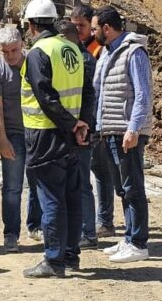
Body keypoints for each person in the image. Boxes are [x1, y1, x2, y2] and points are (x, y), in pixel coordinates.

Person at [19, 0, 91, 279]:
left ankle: (53, 260)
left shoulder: (39, 52)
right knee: (71, 197)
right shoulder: (72, 48)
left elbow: (45, 96)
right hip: (70, 135)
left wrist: (72, 124)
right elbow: (87, 90)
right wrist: (81, 125)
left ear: (31, 25)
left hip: (45, 134)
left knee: (51, 199)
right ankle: (71, 255)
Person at [92, 6, 153, 263]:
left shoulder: (133, 53)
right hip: (110, 130)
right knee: (122, 189)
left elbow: (143, 95)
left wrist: (133, 129)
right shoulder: (108, 52)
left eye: (95, 28)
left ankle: (138, 243)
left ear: (107, 28)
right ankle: (129, 238)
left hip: (125, 131)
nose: (93, 33)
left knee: (132, 188)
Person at [0, 26, 42, 253]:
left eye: (14, 50)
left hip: (37, 130)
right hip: (14, 133)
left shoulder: (35, 63)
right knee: (12, 187)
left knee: (38, 182)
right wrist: (3, 140)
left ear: (22, 44)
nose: (10, 55)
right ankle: (10, 234)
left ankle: (36, 226)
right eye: (5, 51)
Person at [72, 4, 115, 238]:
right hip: (81, 120)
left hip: (95, 119)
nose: (77, 29)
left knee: (100, 170)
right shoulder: (75, 49)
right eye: (74, 25)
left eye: (82, 25)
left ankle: (104, 221)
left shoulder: (97, 50)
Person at [57, 20, 99, 250]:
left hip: (80, 131)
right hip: (75, 128)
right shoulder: (77, 58)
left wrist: (82, 127)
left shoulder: (82, 60)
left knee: (81, 183)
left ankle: (88, 233)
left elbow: (88, 97)